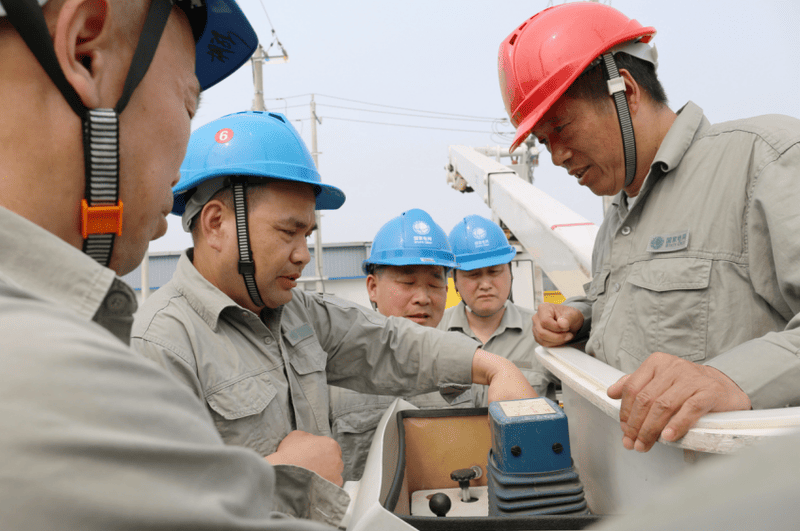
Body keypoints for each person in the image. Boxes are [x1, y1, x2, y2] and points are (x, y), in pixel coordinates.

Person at [0, 0, 335, 529]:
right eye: (187, 103)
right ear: (87, 49)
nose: (182, 172)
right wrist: (293, 480)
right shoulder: (61, 385)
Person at [130, 111, 537, 523]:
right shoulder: (162, 343)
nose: (303, 255)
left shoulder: (296, 313)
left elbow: (389, 345)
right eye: (288, 232)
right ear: (216, 223)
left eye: (307, 235)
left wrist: (492, 367)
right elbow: (153, 509)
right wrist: (281, 478)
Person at [499, 2, 800, 454]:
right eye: (544, 141)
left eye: (561, 127)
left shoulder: (765, 161)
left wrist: (730, 378)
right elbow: (644, 307)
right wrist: (580, 317)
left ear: (626, 92)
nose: (557, 156)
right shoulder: (616, 218)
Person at [329, 208, 478, 482]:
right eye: (408, 283)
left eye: (434, 284)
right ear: (372, 287)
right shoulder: (333, 375)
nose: (422, 298)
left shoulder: (472, 366)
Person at [439, 214, 556, 406]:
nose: (485, 285)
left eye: (494, 272)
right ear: (455, 279)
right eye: (473, 274)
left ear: (510, 272)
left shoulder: (543, 333)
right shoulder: (433, 335)